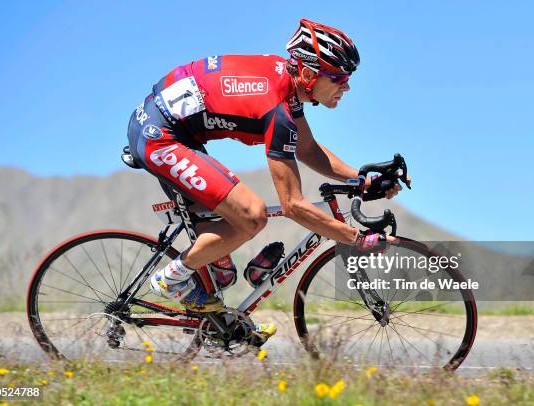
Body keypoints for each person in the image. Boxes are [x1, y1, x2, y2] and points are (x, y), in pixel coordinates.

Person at [126, 18, 404, 344]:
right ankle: (171, 279)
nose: (347, 87)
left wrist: (363, 180)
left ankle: (221, 325)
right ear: (308, 75)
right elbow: (294, 206)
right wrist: (355, 237)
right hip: (160, 136)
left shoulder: (288, 86)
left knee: (221, 267)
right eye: (339, 79)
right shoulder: (277, 107)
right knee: (251, 216)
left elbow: (309, 149)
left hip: (174, 127)